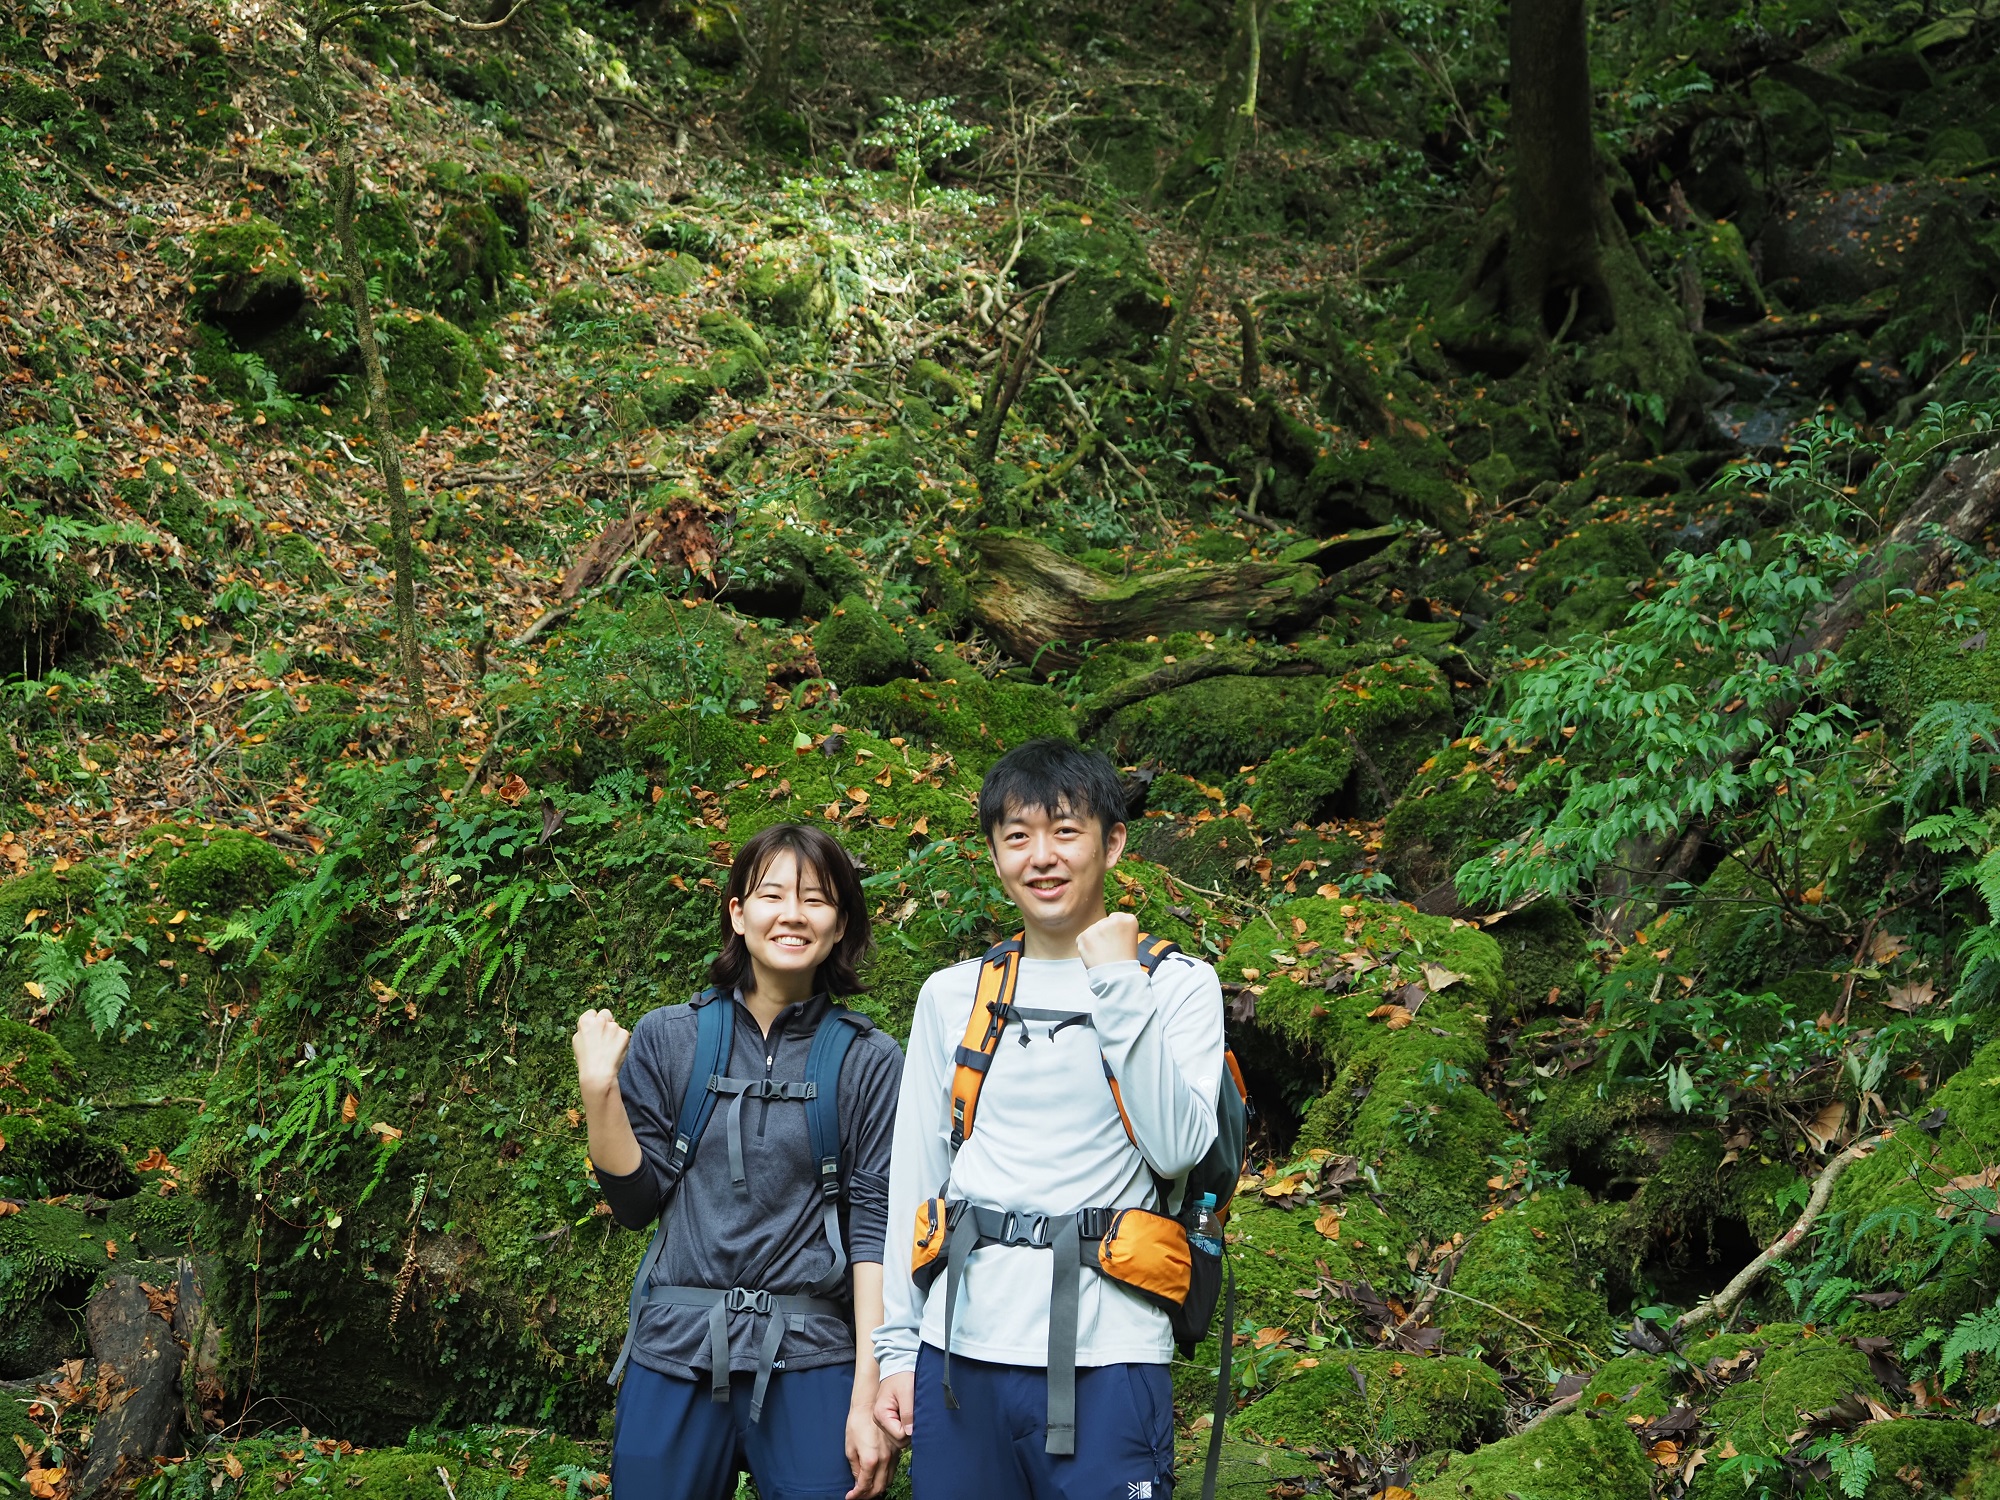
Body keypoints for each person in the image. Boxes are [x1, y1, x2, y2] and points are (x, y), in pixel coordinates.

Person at [872, 738, 1226, 1499]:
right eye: (1018, 836)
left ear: (1112, 842)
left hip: (1110, 1354)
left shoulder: (1179, 986)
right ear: (995, 853)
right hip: (959, 1351)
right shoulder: (952, 995)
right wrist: (897, 1351)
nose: (1042, 857)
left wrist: (1118, 979)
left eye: (1066, 831)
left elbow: (1176, 1149)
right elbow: (917, 1182)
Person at [573, 823, 903, 1500]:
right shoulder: (671, 1037)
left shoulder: (870, 1061)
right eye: (772, 895)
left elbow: (874, 1235)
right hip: (677, 1349)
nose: (792, 914)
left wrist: (867, 1395)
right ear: (737, 912)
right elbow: (635, 1204)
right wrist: (599, 1091)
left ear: (840, 924)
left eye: (816, 899)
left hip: (813, 1353)